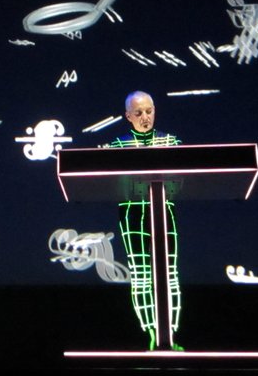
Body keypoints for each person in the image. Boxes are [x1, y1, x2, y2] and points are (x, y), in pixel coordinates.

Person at [108, 91, 183, 351]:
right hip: (132, 213)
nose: (145, 117)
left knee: (169, 273)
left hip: (163, 210)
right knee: (141, 274)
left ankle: (170, 334)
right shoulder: (118, 145)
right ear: (128, 116)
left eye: (149, 111)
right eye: (138, 113)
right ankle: (151, 333)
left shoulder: (171, 141)